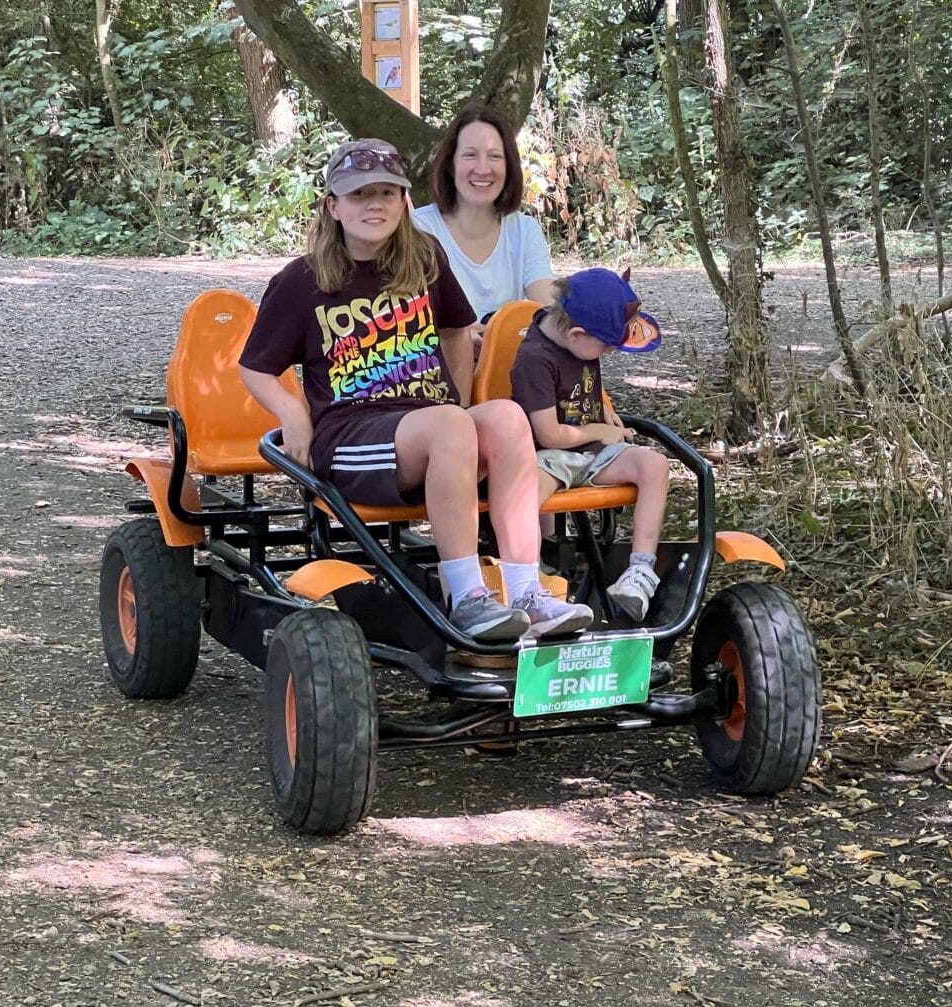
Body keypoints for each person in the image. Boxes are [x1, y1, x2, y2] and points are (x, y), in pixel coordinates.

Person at [238, 138, 593, 641]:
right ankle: (467, 596)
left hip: (428, 430)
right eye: (359, 194)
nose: (375, 204)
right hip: (351, 438)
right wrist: (294, 415)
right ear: (333, 207)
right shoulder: (301, 281)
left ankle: (526, 591)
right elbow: (254, 367)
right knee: (450, 424)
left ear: (405, 202)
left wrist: (459, 403)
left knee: (507, 417)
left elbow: (454, 330)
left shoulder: (424, 259)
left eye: (387, 192)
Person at [510, 269, 670, 622]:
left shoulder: (579, 339)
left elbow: (581, 387)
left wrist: (605, 408)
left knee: (655, 465)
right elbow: (549, 434)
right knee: (522, 492)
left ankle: (639, 573)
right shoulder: (535, 359)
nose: (608, 353)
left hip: (590, 453)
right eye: (607, 346)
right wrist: (598, 428)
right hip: (547, 455)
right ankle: (528, 581)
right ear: (577, 333)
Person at [412, 107, 555, 354]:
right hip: (436, 374)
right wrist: (457, 337)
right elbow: (404, 317)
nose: (483, 168)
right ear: (449, 165)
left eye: (495, 156)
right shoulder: (418, 228)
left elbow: (547, 307)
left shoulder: (524, 230)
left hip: (504, 370)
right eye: (470, 155)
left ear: (509, 167)